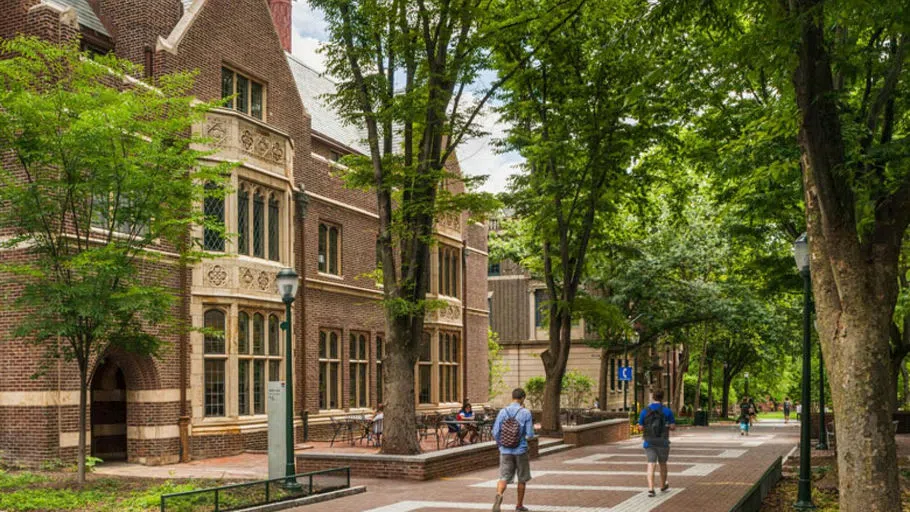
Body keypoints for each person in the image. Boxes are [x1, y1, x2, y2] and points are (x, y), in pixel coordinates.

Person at [492, 388, 535, 512]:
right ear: (522, 398)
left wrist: (502, 445)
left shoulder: (503, 412)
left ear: (512, 397)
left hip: (505, 451)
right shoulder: (525, 412)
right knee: (522, 478)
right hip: (520, 450)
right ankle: (519, 506)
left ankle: (499, 495)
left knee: (503, 477)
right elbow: (530, 434)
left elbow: (495, 432)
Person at [638, 390, 676, 497]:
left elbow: (640, 427)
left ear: (653, 397)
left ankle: (651, 489)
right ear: (662, 398)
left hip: (649, 442)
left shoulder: (645, 411)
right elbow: (673, 427)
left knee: (651, 464)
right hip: (663, 442)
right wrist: (667, 426)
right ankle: (663, 485)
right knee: (663, 464)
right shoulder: (667, 411)